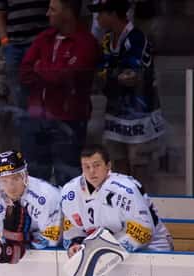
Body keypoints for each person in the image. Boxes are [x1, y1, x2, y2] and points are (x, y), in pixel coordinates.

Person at [19, 0, 98, 186]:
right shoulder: (44, 38)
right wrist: (50, 71)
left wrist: (40, 69)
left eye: (53, 9)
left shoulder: (86, 43)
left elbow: (64, 77)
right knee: (35, 178)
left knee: (68, 177)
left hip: (69, 119)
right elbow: (24, 72)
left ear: (68, 12)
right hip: (37, 117)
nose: (47, 13)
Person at [92, 0, 165, 188]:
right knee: (117, 168)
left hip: (141, 117)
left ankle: (144, 213)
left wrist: (110, 75)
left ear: (114, 13)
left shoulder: (137, 38)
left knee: (140, 170)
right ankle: (122, 213)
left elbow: (132, 77)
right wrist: (113, 76)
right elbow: (99, 74)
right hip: (115, 115)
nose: (97, 18)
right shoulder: (107, 40)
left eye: (101, 13)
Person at [61, 146, 172, 255]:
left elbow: (143, 231)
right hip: (103, 254)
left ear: (108, 166)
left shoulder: (125, 189)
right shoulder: (70, 191)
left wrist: (107, 250)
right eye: (86, 167)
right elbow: (72, 226)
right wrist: (75, 244)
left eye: (97, 165)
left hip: (152, 248)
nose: (91, 171)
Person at [0, 149, 62, 263]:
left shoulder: (47, 197)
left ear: (25, 176)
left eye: (15, 178)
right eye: (4, 180)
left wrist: (25, 240)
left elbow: (53, 242)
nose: (10, 186)